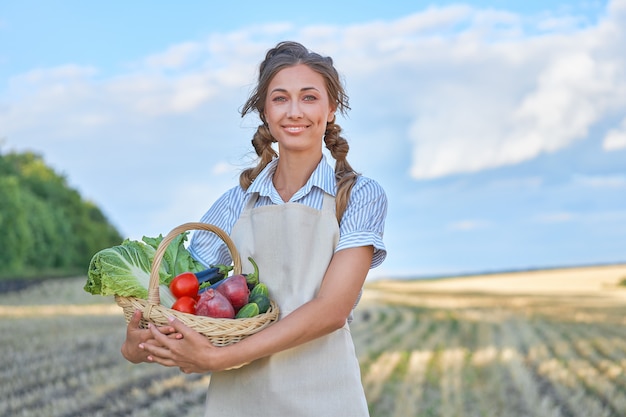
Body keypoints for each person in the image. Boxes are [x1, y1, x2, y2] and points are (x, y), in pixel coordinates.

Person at [121, 40, 387, 416]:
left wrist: (218, 359)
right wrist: (138, 345)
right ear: (264, 111)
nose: (295, 111)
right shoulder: (235, 202)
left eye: (309, 98)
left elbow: (331, 310)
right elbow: (184, 298)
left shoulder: (358, 196)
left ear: (330, 110)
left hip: (325, 397)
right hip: (239, 401)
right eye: (280, 99)